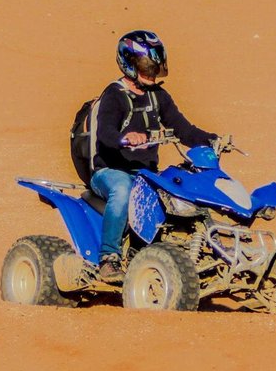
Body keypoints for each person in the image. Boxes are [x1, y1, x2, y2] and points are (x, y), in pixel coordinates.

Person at [88, 30, 218, 281]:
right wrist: (125, 139)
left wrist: (211, 140)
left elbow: (184, 129)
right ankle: (109, 257)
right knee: (124, 189)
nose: (152, 71)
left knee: (184, 188)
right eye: (146, 66)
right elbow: (105, 134)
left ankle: (201, 249)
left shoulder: (158, 96)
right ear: (129, 64)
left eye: (155, 65)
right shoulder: (114, 95)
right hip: (110, 171)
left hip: (146, 174)